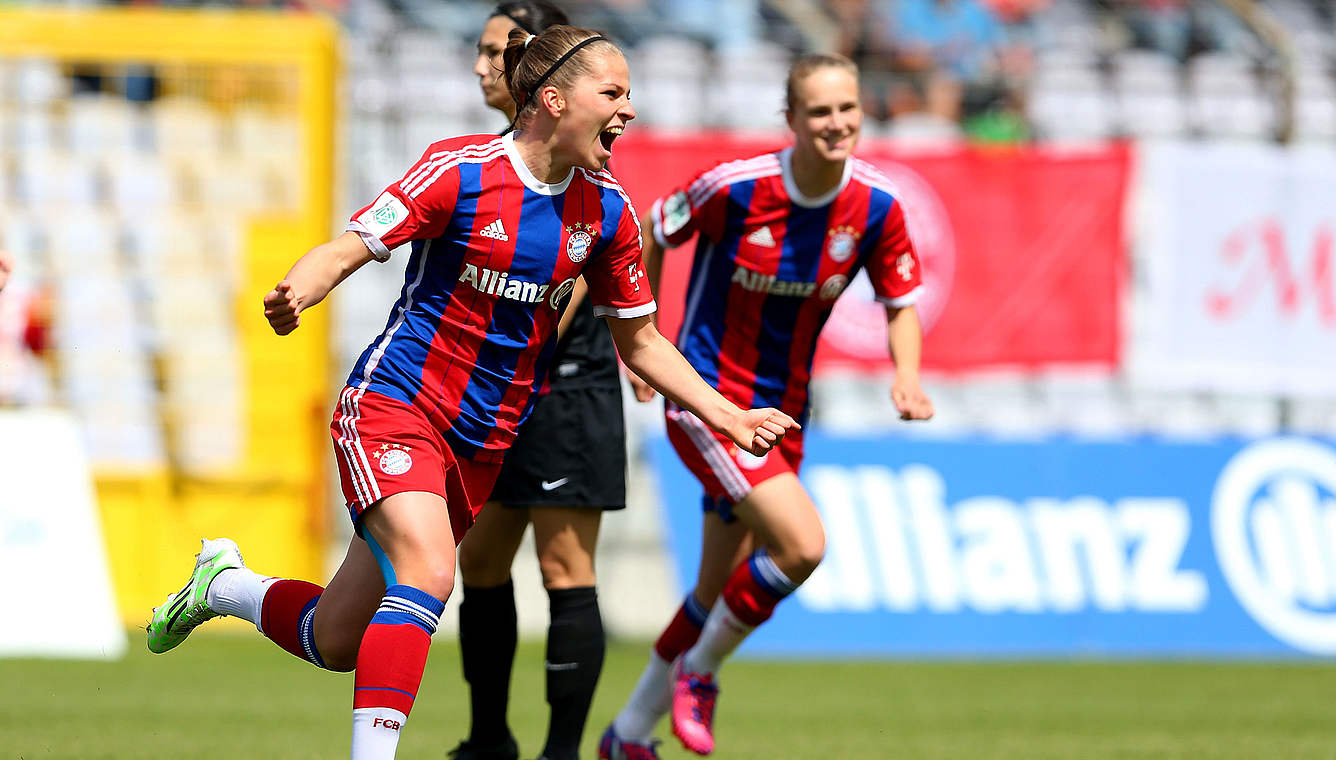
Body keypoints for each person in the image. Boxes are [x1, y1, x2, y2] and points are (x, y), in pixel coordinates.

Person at [144, 24, 798, 760]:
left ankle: (224, 585)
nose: (630, 110)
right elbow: (354, 243)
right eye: (613, 93)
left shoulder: (607, 212)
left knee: (334, 639)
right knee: (427, 571)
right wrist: (303, 285)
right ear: (553, 100)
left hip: (481, 443)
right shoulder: (460, 170)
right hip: (393, 407)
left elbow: (640, 341)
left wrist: (727, 415)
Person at [597, 53, 934, 760]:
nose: (836, 124)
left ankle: (626, 736)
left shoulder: (876, 207)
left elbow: (901, 303)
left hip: (786, 412)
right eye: (819, 111)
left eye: (847, 109)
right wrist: (643, 343)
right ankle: (702, 671)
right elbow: (656, 228)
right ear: (791, 119)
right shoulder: (737, 188)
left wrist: (907, 376)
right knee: (803, 545)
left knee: (712, 590)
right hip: (710, 401)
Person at [453, 4, 627, 760]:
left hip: (563, 384)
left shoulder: (586, 164)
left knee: (564, 565)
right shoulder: (491, 163)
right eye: (485, 50)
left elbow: (606, 255)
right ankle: (488, 738)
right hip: (497, 386)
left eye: (504, 50)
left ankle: (561, 752)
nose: (488, 65)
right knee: (480, 562)